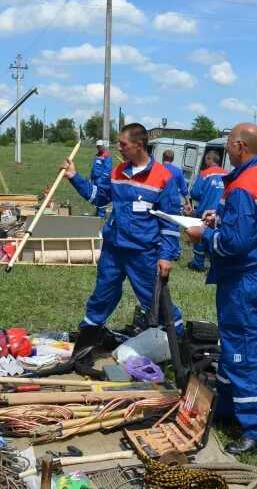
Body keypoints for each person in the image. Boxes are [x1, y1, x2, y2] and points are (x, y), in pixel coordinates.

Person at [185, 123, 257, 455]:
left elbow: (235, 242)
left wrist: (206, 235)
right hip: (254, 275)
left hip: (242, 280)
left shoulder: (244, 184)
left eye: (228, 144)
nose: (226, 149)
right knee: (232, 347)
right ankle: (228, 410)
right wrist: (220, 218)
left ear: (241, 146)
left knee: (242, 354)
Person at [60, 123, 183, 374]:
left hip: (143, 252)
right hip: (114, 249)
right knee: (102, 295)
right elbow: (99, 197)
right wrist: (74, 176)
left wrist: (166, 256)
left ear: (139, 145)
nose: (119, 148)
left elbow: (169, 221)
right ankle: (82, 353)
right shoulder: (118, 171)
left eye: (123, 144)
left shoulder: (163, 177)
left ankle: (179, 342)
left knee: (154, 300)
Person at [187, 152, 227, 272]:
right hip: (220, 213)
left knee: (200, 239)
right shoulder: (227, 174)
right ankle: (214, 267)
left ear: (210, 159)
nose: (205, 162)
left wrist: (206, 195)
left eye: (206, 160)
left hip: (205, 212)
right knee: (217, 238)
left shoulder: (204, 174)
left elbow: (195, 193)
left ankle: (198, 264)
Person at [161, 150, 192, 215]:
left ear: (163, 157)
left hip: (160, 201)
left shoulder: (158, 169)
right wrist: (188, 203)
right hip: (174, 203)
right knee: (172, 222)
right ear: (172, 159)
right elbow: (184, 189)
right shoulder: (178, 171)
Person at [90, 139, 112, 217]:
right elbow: (94, 167)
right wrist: (92, 177)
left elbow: (108, 169)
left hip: (101, 179)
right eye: (98, 146)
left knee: (101, 196)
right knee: (96, 196)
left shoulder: (107, 155)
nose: (99, 148)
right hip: (95, 178)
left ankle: (101, 214)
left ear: (103, 146)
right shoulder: (97, 155)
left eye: (100, 146)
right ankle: (98, 212)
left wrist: (103, 180)